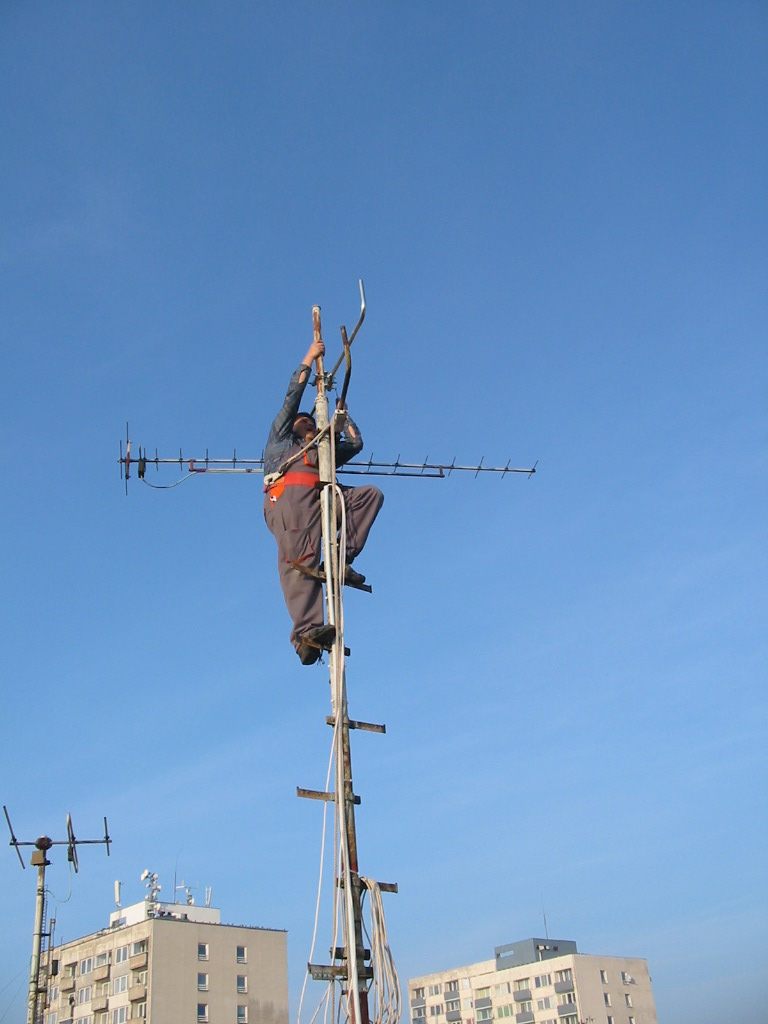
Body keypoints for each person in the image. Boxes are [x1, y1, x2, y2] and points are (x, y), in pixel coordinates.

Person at [263, 339, 384, 665]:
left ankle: (340, 558)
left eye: (312, 423)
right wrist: (310, 356)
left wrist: (344, 414)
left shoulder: (322, 451)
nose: (308, 424)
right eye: (303, 421)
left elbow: (355, 444)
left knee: (369, 496)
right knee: (299, 558)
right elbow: (292, 399)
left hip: (320, 501)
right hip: (288, 500)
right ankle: (306, 635)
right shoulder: (281, 442)